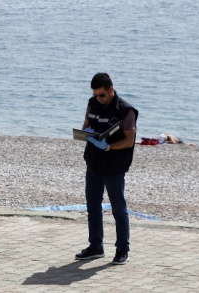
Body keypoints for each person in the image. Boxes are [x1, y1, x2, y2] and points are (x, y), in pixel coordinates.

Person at [76, 72, 138, 265]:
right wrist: (87, 133)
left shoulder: (126, 110)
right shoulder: (92, 103)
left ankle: (122, 249)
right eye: (96, 95)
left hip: (114, 166)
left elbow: (129, 140)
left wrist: (109, 146)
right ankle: (96, 247)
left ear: (111, 90)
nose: (98, 99)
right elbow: (85, 124)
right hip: (94, 162)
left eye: (102, 95)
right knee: (92, 207)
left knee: (118, 209)